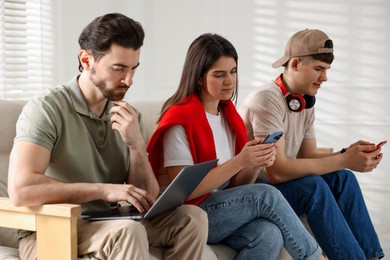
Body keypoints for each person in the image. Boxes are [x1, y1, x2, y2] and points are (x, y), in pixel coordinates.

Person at [7, 13, 208, 260]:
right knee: (128, 231)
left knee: (192, 218)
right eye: (119, 69)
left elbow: (147, 197)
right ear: (86, 59)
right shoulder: (47, 109)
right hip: (53, 228)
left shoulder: (127, 114)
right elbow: (22, 189)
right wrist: (104, 190)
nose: (129, 80)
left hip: (107, 221)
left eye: (134, 68)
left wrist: (136, 147)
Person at [147, 33, 325, 260]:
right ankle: (315, 258)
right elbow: (184, 192)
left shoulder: (229, 117)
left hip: (222, 209)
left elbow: (238, 185)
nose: (230, 81)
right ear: (199, 77)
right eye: (219, 75)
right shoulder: (179, 120)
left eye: (233, 71)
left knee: (268, 234)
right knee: (266, 195)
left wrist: (254, 162)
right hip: (189, 214)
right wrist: (239, 161)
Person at [239, 29, 385, 260]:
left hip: (281, 186)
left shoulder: (303, 101)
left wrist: (348, 154)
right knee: (314, 187)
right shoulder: (267, 99)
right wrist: (344, 159)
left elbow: (308, 155)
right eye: (319, 69)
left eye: (326, 70)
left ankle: (373, 256)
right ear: (295, 64)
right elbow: (277, 172)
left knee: (343, 177)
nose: (324, 77)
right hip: (258, 193)